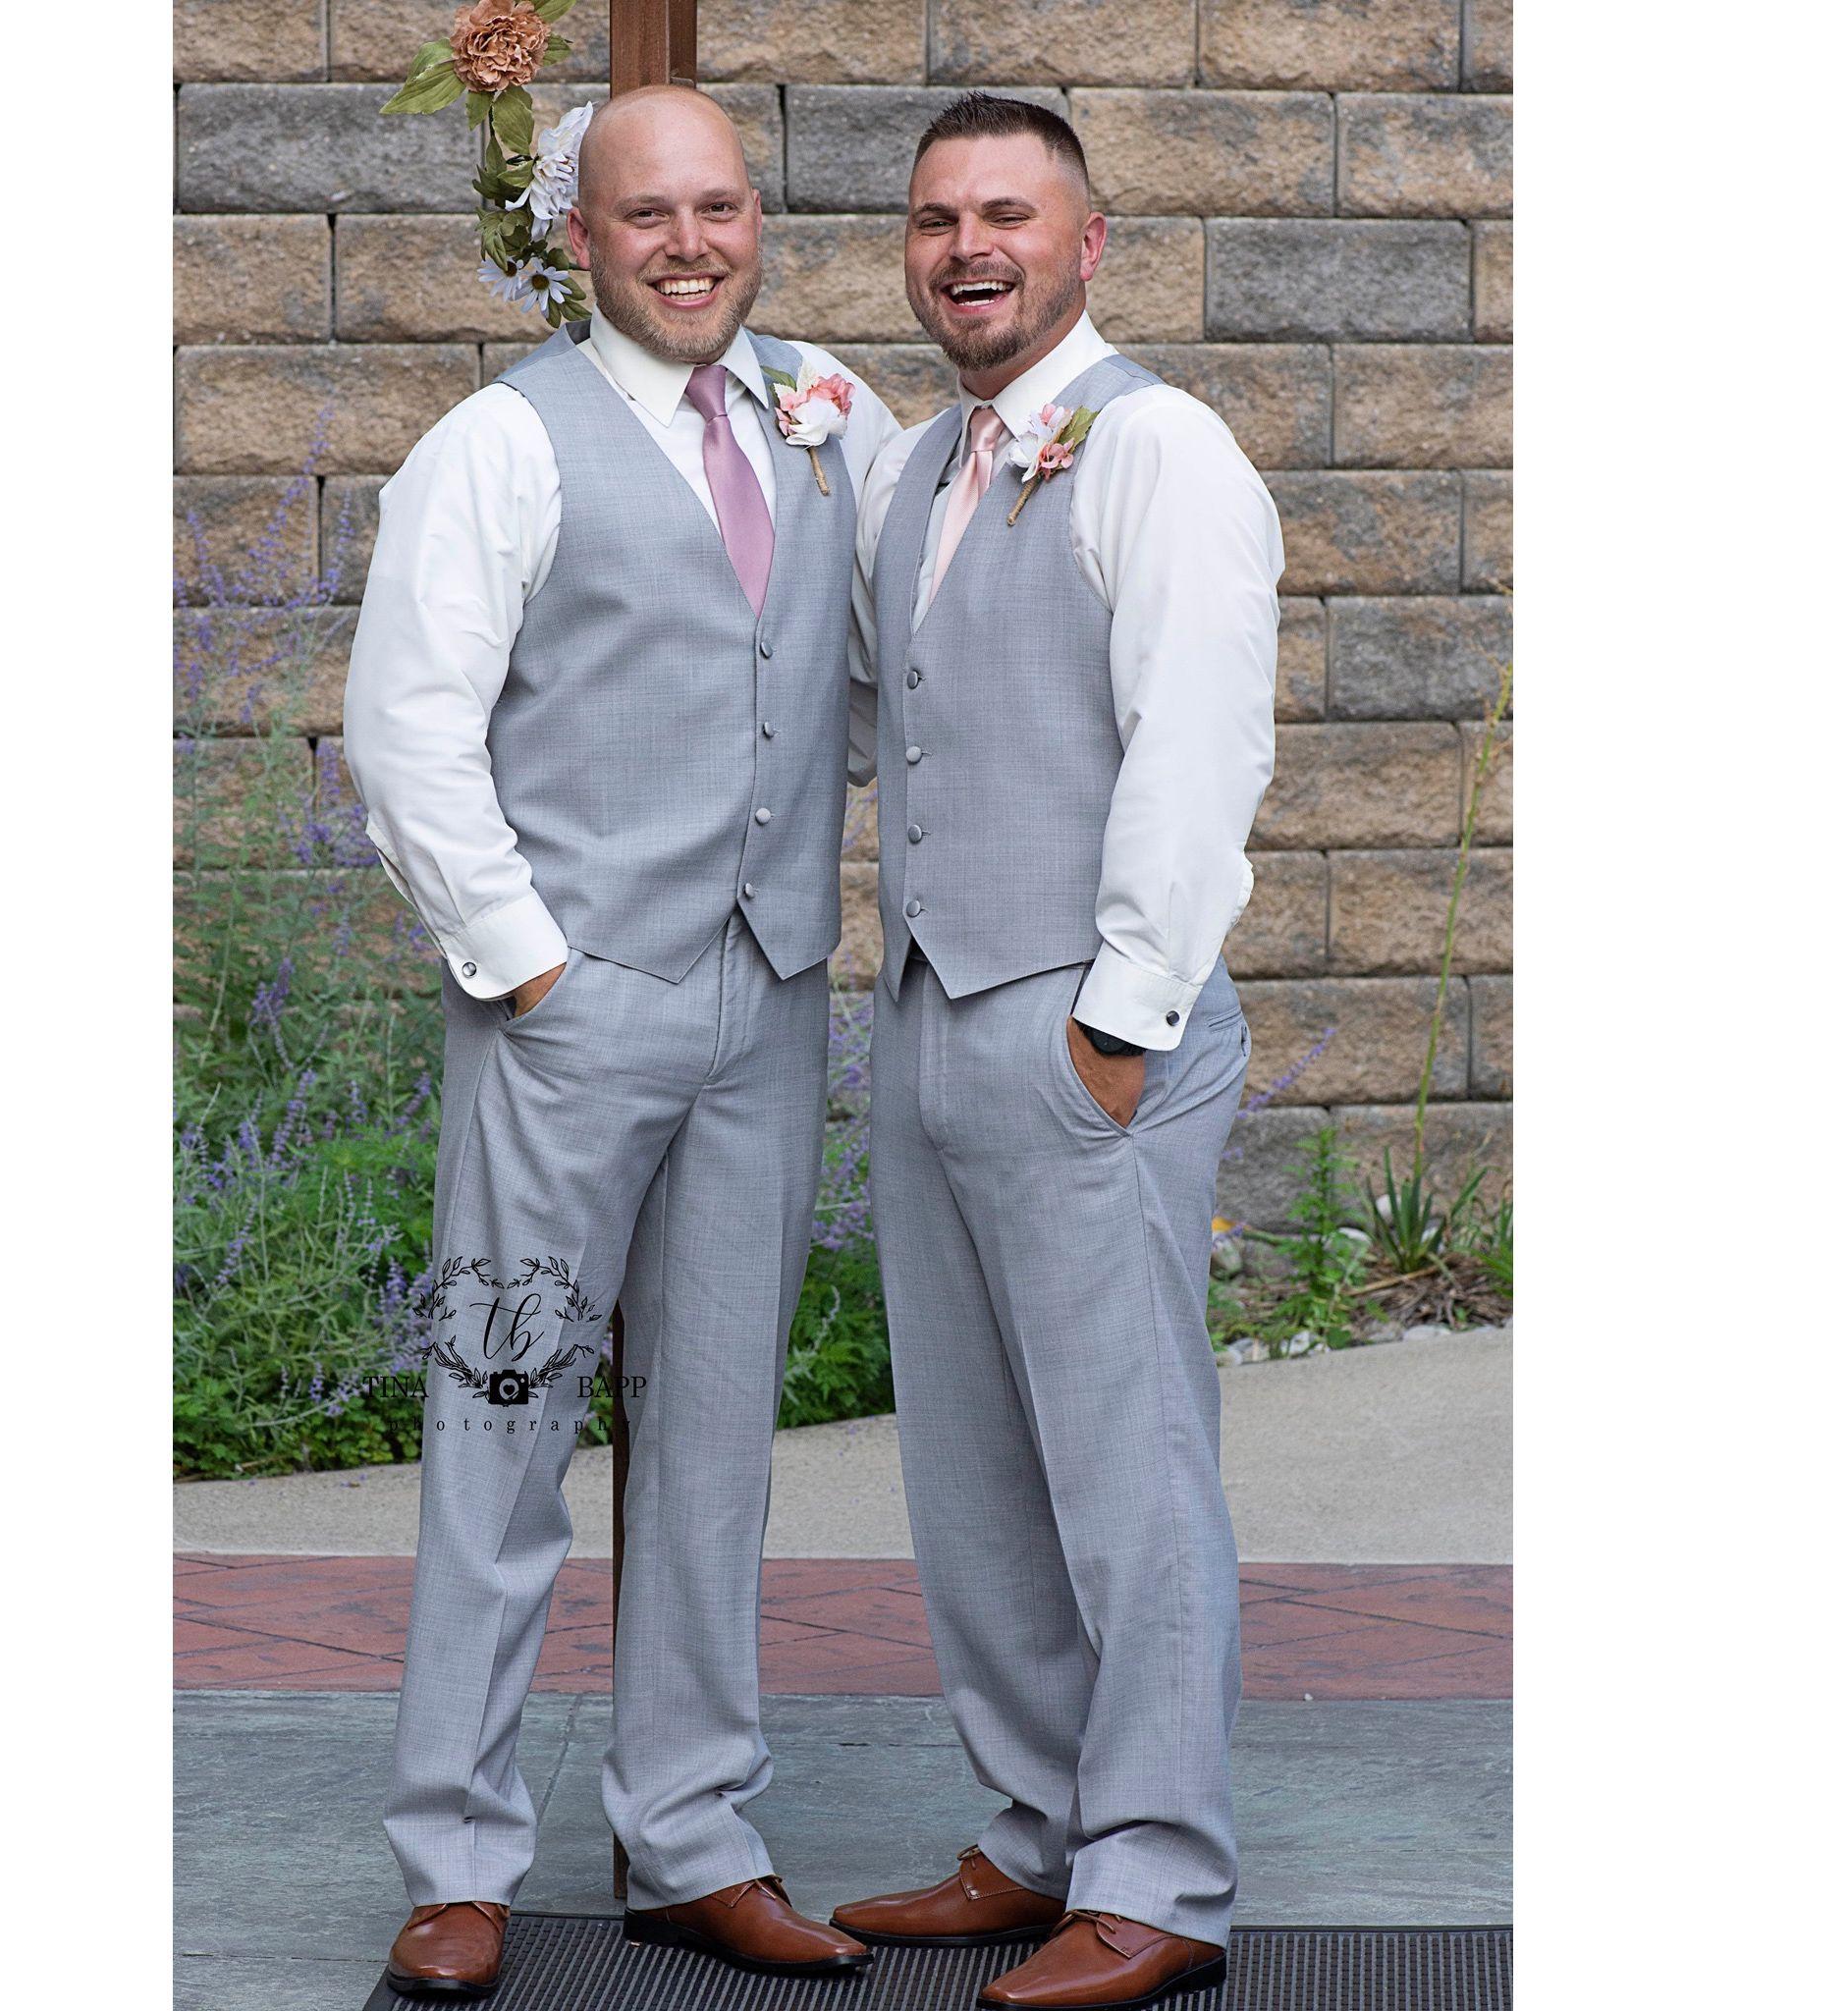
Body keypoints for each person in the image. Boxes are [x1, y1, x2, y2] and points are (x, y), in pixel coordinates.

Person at [342, 83, 897, 2000]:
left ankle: (691, 1836)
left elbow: (895, 637)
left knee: (718, 1441)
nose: (689, 243)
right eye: (646, 212)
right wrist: (530, 972)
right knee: (499, 1421)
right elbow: (409, 731)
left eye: (717, 206)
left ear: (757, 219)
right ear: (579, 236)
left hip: (766, 1003)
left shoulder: (830, 416)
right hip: (566, 1013)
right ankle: (455, 1854)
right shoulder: (500, 445)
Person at [829, 92, 1282, 2010]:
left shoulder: (1158, 449)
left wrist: (1117, 1024)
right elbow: (899, 711)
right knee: (974, 1471)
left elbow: (1199, 741)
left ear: (1087, 244)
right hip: (935, 1016)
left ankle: (1159, 1872)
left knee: (1127, 1466)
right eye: (938, 217)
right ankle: (1039, 1832)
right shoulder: (916, 464)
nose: (969, 247)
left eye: (1008, 214)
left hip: (1086, 1032)